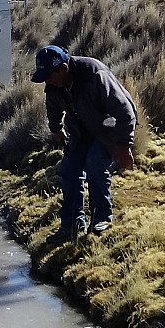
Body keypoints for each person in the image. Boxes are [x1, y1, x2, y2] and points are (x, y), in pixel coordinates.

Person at [30, 45, 137, 245]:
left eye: (49, 76)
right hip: (81, 132)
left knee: (95, 163)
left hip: (109, 129)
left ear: (63, 69)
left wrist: (124, 146)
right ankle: (71, 224)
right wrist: (56, 128)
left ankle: (102, 218)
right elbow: (52, 106)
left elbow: (125, 112)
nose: (47, 81)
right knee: (68, 170)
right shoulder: (55, 84)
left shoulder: (94, 74)